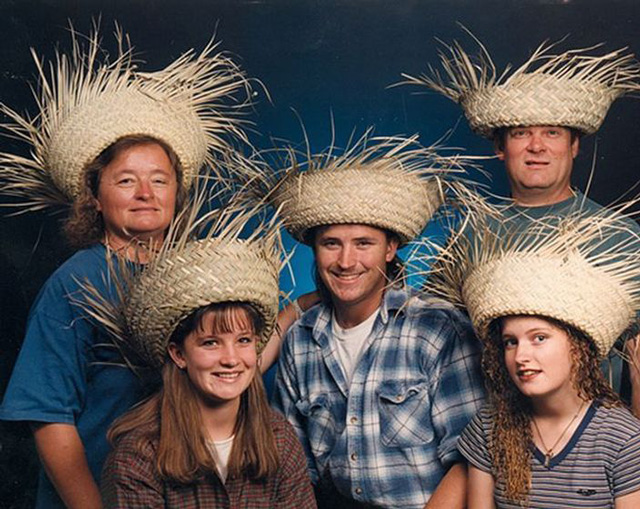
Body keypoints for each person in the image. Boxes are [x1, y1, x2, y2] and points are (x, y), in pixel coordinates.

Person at [0, 26, 252, 508]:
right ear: (94, 197)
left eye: (160, 179)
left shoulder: (199, 276)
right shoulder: (75, 283)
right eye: (126, 180)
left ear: (177, 193)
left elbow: (243, 357)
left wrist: (307, 302)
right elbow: (48, 416)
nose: (145, 193)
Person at [402, 36, 640, 406]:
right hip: (494, 436)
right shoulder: (473, 237)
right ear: (500, 148)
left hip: (591, 445)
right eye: (520, 133)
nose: (537, 146)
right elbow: (426, 334)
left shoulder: (621, 238)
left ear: (574, 145)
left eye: (552, 132)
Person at [270, 133, 485, 509]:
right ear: (315, 249)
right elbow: (294, 466)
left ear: (390, 248)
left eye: (363, 244)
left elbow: (470, 457)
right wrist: (293, 311)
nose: (346, 261)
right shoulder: (301, 340)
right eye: (331, 243)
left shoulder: (436, 331)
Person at [78, 207, 317, 508]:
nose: (231, 359)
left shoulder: (279, 439)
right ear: (178, 354)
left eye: (243, 340)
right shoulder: (139, 456)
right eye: (211, 343)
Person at [426, 208, 640, 508]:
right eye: (510, 342)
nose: (521, 356)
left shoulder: (623, 439)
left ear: (578, 346)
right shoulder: (489, 426)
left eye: (539, 338)